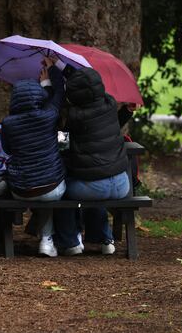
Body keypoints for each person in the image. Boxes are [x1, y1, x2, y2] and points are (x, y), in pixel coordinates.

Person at [51, 58, 130, 256]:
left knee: (62, 191)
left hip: (95, 187)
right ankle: (105, 238)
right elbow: (86, 84)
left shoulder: (76, 116)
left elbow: (64, 147)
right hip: (122, 184)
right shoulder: (110, 104)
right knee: (95, 183)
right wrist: (60, 66)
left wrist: (59, 126)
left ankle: (71, 242)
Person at [0, 60, 66, 257]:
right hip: (51, 188)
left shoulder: (8, 123)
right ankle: (48, 239)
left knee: (38, 187)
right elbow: (59, 94)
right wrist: (50, 74)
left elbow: (7, 148)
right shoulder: (49, 116)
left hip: (21, 189)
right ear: (39, 96)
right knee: (49, 186)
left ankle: (42, 236)